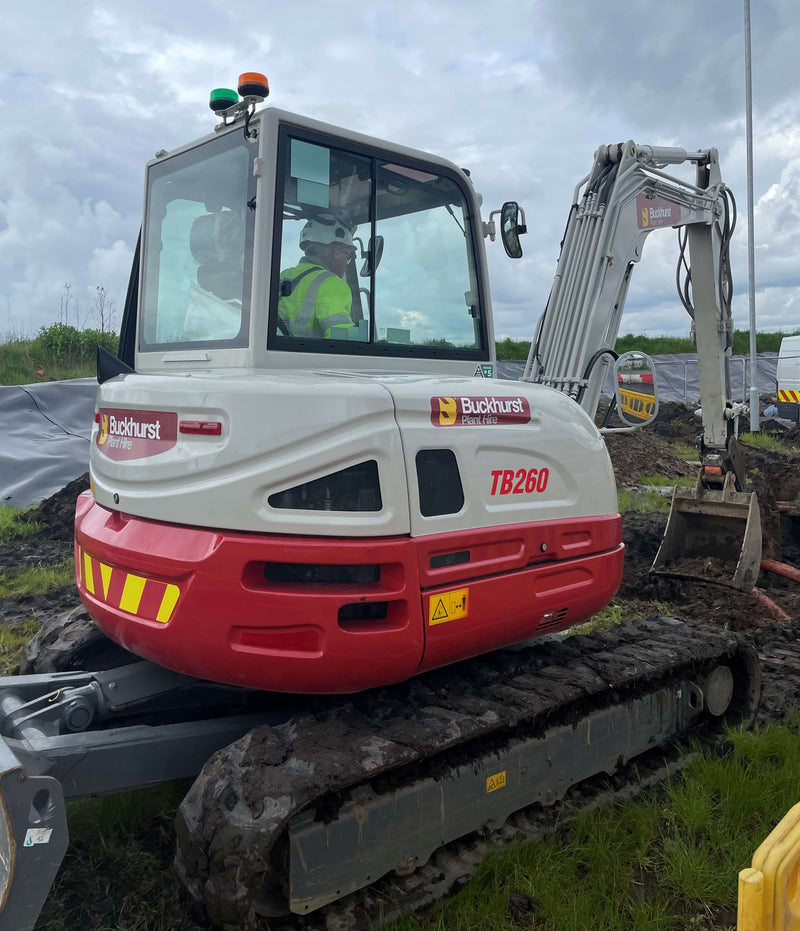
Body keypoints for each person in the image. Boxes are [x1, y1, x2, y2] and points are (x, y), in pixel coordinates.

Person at [278, 217, 357, 338]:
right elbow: (341, 338)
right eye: (348, 256)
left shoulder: (283, 276)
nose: (347, 263)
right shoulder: (332, 284)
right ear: (336, 252)